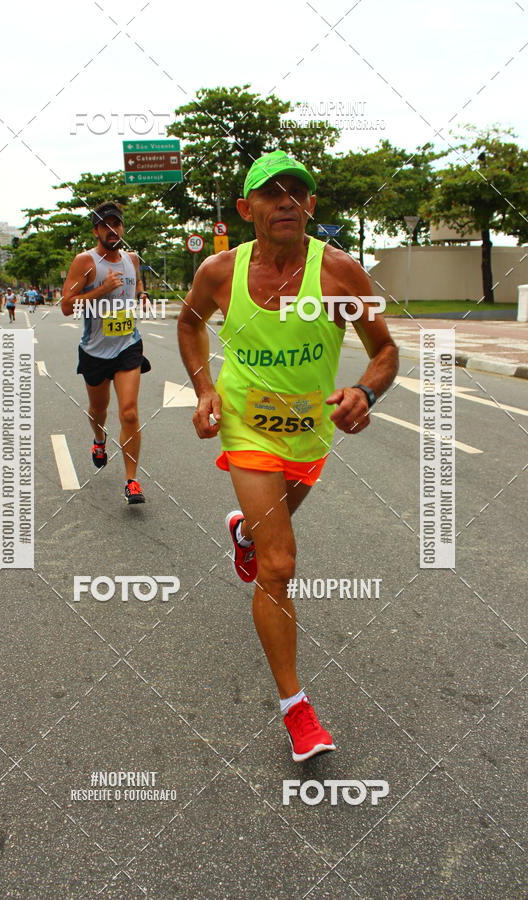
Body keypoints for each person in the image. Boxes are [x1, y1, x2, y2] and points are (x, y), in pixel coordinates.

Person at [178, 150, 398, 762]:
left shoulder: (340, 274)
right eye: (271, 194)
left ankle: (244, 532)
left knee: (266, 536)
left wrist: (364, 391)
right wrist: (204, 388)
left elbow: (385, 351)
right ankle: (296, 708)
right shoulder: (220, 272)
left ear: (311, 205)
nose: (285, 203)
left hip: (310, 434)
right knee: (278, 565)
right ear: (246, 209)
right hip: (247, 428)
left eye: (296, 193)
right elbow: (190, 324)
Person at [60, 200, 150, 504]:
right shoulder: (85, 262)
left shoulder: (132, 259)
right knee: (99, 409)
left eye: (117, 224)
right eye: (106, 225)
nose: (113, 230)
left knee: (129, 412)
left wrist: (142, 294)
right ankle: (99, 439)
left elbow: (137, 281)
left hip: (127, 345)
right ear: (96, 231)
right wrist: (101, 290)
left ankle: (132, 481)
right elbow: (66, 306)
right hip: (95, 350)